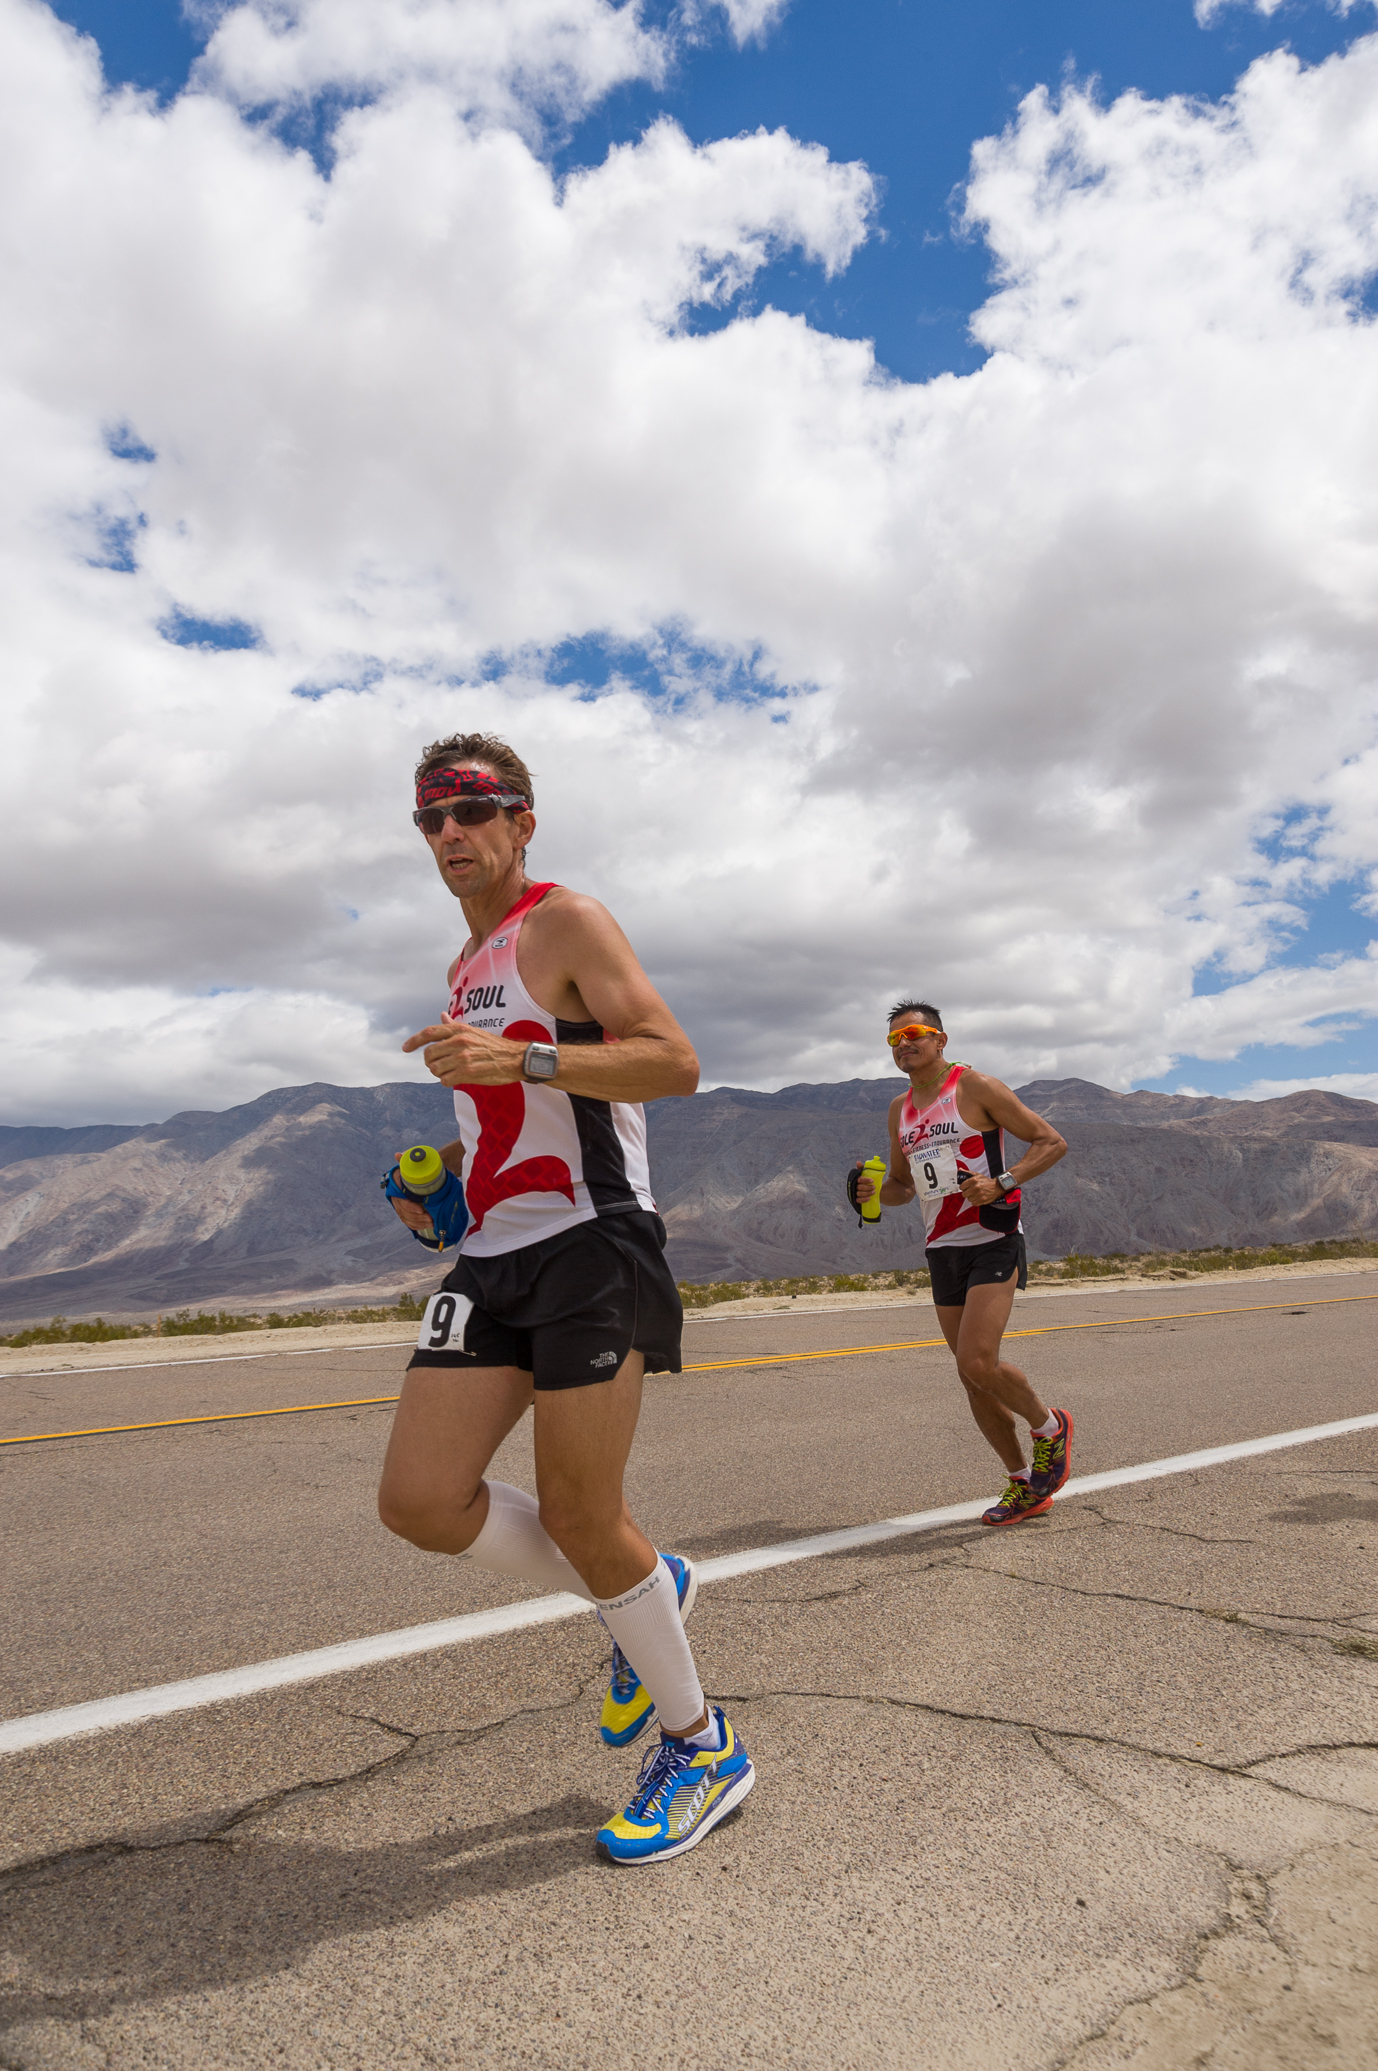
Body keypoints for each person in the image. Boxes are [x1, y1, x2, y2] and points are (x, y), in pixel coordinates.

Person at [376, 731, 753, 1865]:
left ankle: (702, 1746)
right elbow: (505, 1122)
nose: (450, 832)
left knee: (586, 1516)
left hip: (595, 1245)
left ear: (521, 820)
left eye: (471, 810)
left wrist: (526, 1061)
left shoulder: (566, 921)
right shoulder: (464, 967)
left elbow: (674, 1062)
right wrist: (440, 1210)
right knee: (420, 1500)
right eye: (430, 818)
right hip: (492, 1258)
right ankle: (649, 1584)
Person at [854, 1002, 1073, 1526]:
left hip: (992, 1235)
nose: (903, 1044)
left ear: (940, 1038)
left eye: (913, 1033)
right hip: (942, 1246)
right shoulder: (899, 1109)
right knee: (971, 1378)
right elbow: (906, 1187)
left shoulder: (976, 1088)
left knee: (978, 1360)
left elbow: (1051, 1143)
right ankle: (1023, 1482)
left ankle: (1049, 1429)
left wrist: (1002, 1182)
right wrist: (875, 1193)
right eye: (894, 1040)